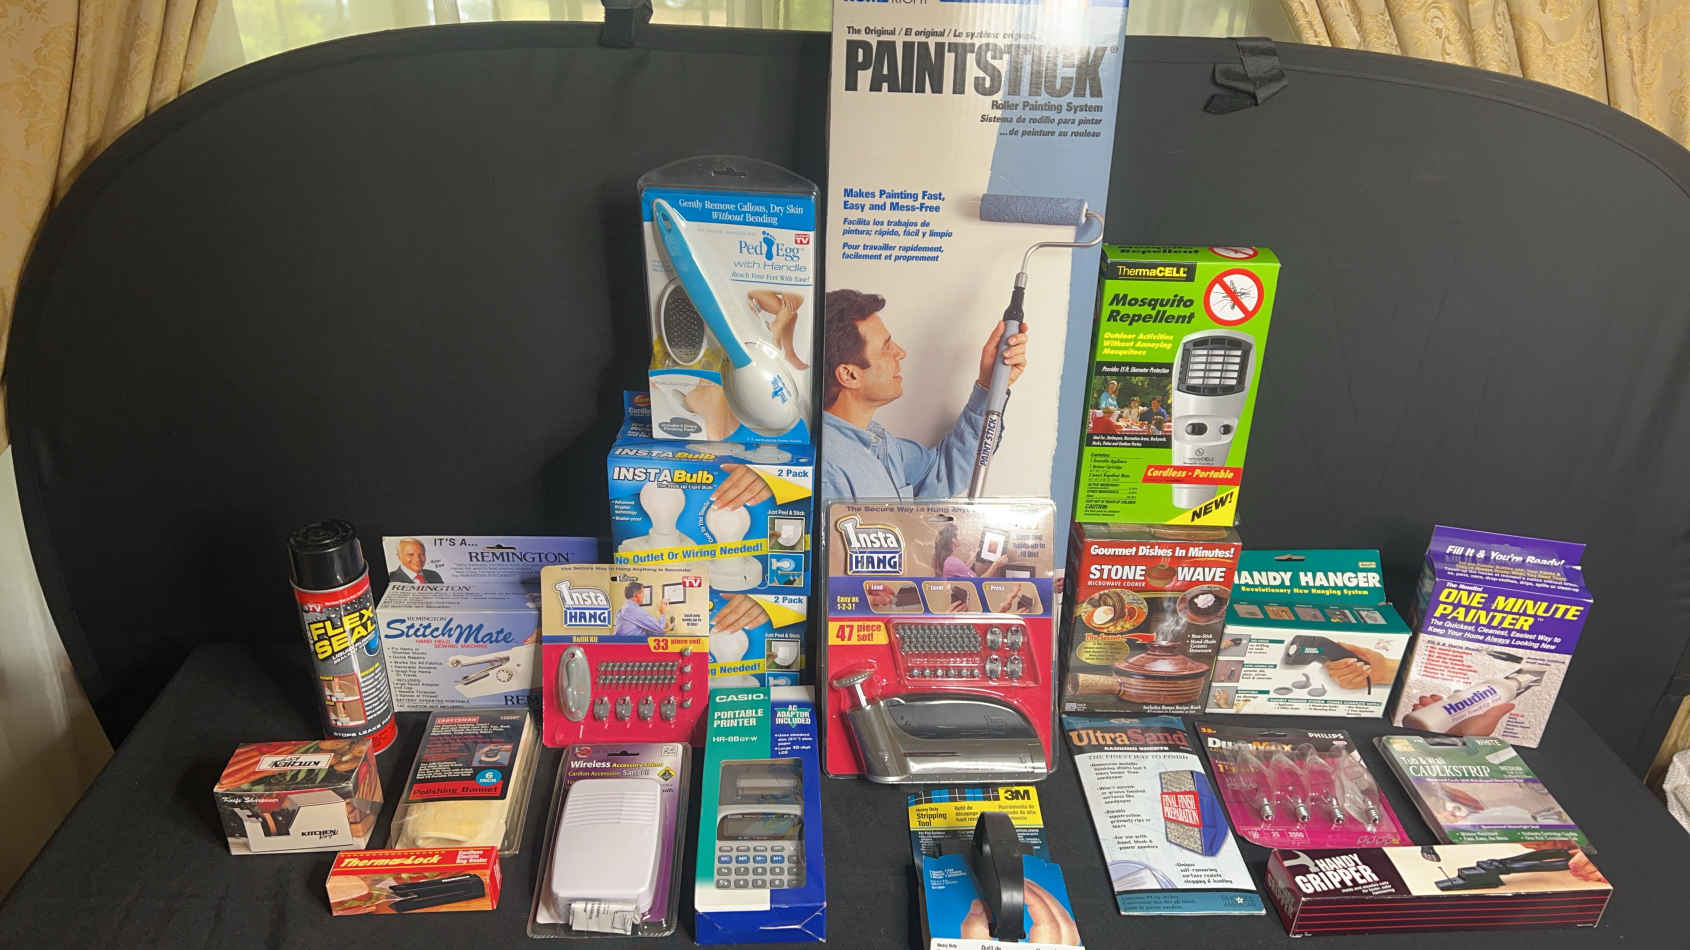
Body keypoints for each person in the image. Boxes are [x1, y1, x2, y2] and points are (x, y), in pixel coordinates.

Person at [820, 290, 1029, 500]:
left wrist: (989, 385)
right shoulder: (825, 472)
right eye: (886, 347)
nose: (901, 352)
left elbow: (943, 472)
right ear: (849, 375)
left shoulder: (881, 445)